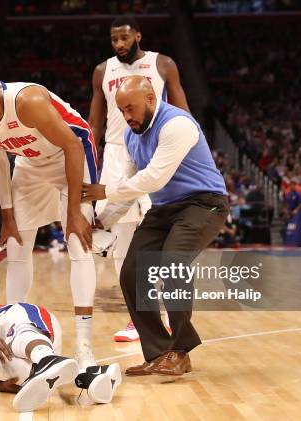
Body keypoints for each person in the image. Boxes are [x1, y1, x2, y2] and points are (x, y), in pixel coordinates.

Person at [82, 76, 228, 376]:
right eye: (122, 110)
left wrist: (103, 191)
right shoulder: (131, 134)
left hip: (204, 203)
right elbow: (130, 186)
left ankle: (181, 351)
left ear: (150, 99)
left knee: (172, 262)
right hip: (165, 209)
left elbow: (154, 179)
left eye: (131, 108)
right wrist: (102, 220)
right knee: (132, 273)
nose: (127, 116)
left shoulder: (177, 124)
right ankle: (160, 352)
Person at [0, 79, 98, 369]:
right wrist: (7, 215)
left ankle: (84, 344)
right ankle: (14, 330)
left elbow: (73, 145)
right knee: (15, 244)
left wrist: (73, 212)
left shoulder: (27, 102)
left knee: (77, 242)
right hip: (29, 163)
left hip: (70, 156)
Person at [87, 16, 190, 342]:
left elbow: (182, 109)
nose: (119, 44)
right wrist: (90, 158)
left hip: (154, 149)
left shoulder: (162, 64)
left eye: (124, 38)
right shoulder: (103, 71)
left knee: (157, 234)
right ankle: (140, 318)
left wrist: (188, 146)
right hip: (117, 155)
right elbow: (95, 121)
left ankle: (170, 312)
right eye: (114, 39)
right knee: (122, 238)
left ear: (137, 36)